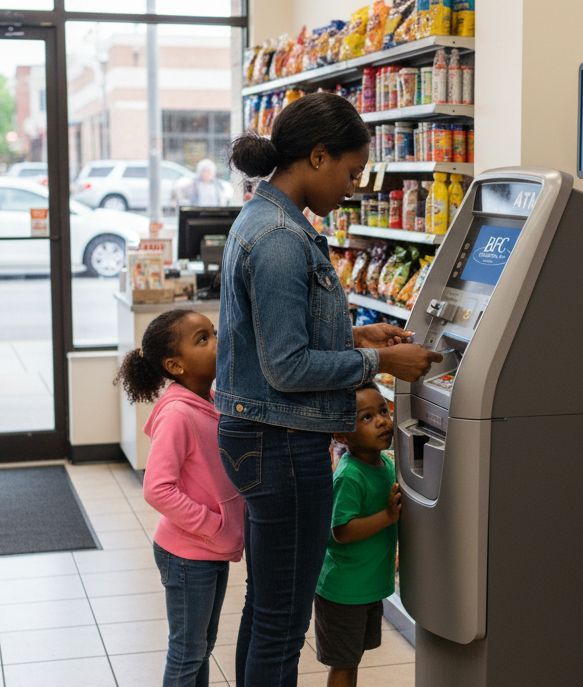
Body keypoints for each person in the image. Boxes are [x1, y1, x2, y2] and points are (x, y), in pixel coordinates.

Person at [214, 91, 442, 687]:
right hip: (283, 445)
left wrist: (358, 336)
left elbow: (277, 335)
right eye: (350, 171)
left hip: (260, 436)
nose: (352, 186)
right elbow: (288, 367)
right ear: (318, 156)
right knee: (283, 625)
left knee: (266, 610)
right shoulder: (282, 240)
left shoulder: (264, 219)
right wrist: (382, 364)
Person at [114, 309, 244, 687]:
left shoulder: (210, 398)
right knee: (188, 652)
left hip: (209, 548)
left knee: (202, 646)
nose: (216, 343)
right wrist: (212, 525)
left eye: (213, 333)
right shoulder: (178, 415)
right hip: (189, 553)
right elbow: (157, 488)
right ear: (176, 365)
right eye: (202, 340)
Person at [314, 383, 399, 687]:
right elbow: (341, 531)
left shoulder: (384, 464)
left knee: (353, 659)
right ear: (341, 434)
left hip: (365, 587)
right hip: (343, 591)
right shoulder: (350, 476)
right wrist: (388, 516)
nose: (381, 420)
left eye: (383, 411)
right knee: (343, 664)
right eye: (366, 417)